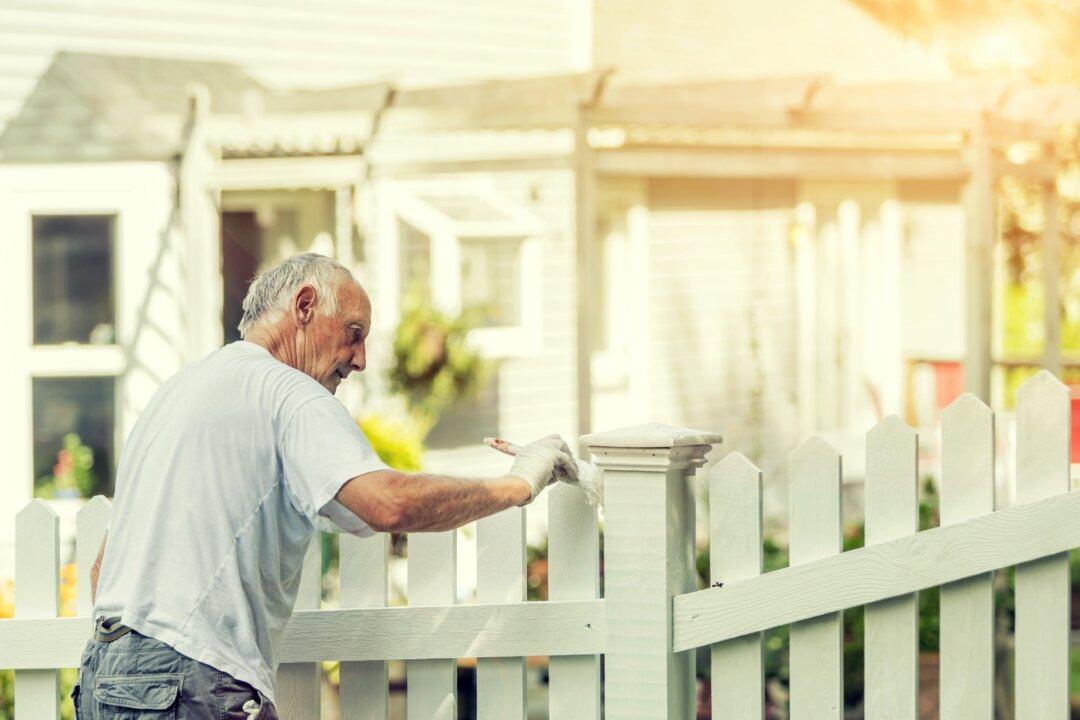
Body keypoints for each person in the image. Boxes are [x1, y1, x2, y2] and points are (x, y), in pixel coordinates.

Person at [74, 253, 577, 719]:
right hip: (187, 680)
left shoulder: (179, 390)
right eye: (354, 333)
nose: (359, 359)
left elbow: (105, 566)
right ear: (305, 306)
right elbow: (388, 504)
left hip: (105, 673)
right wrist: (516, 486)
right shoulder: (289, 391)